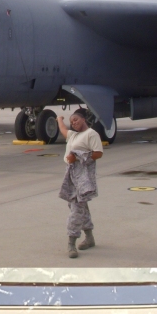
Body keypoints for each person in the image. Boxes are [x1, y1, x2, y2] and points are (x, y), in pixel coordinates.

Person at [57, 108, 104, 258]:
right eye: (72, 122)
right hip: (71, 173)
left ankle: (71, 242)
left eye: (76, 120)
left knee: (76, 209)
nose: (74, 123)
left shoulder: (91, 134)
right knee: (77, 204)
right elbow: (64, 131)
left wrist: (77, 157)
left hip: (83, 174)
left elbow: (98, 153)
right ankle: (89, 237)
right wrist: (59, 120)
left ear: (83, 119)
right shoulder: (73, 135)